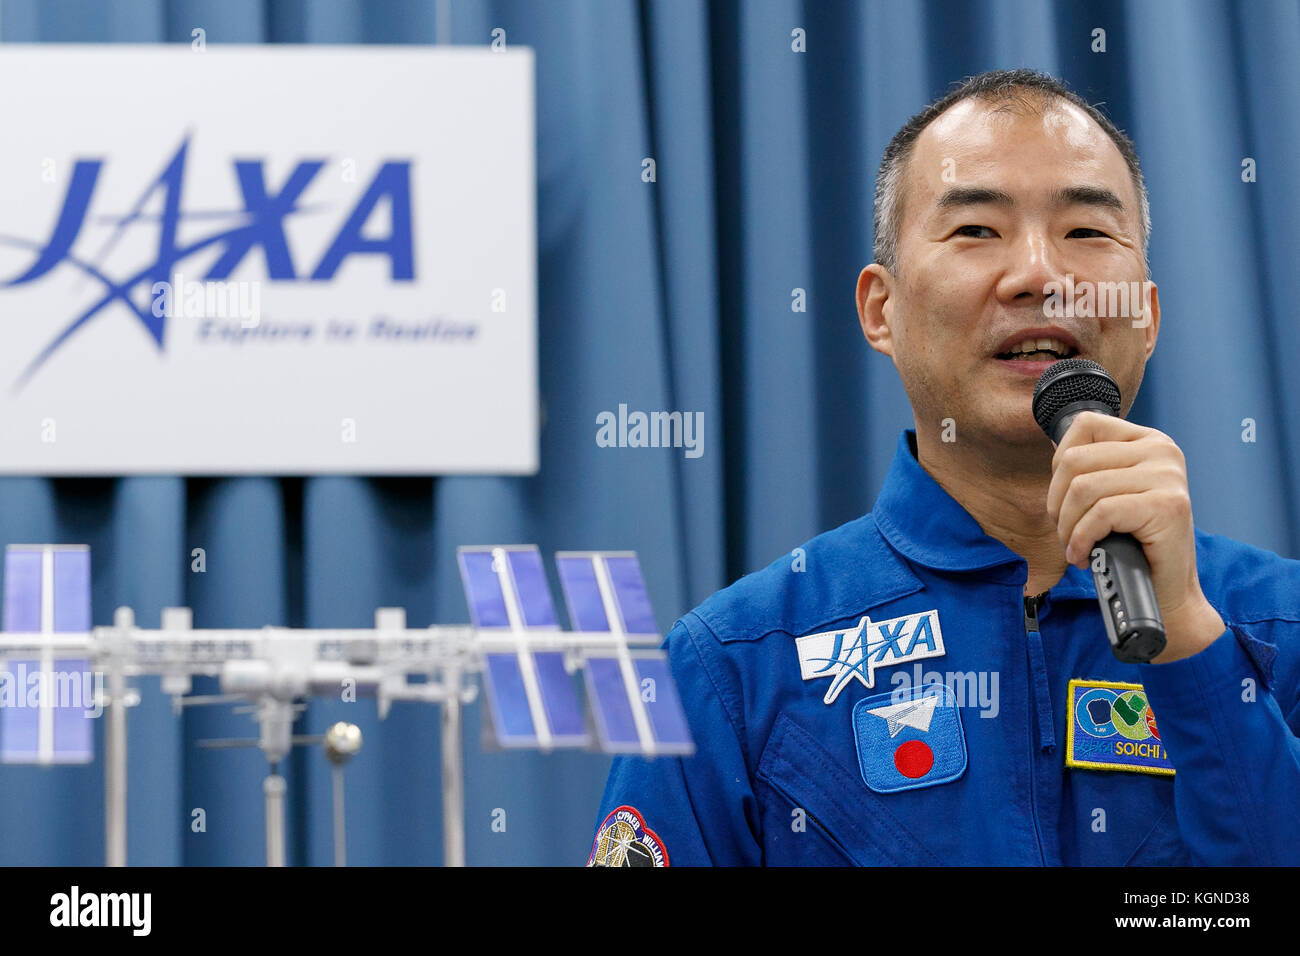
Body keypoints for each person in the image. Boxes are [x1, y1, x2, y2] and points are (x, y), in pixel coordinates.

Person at [586, 69, 1300, 866]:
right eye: (977, 231)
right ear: (878, 310)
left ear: (1149, 316)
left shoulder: (1281, 628)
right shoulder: (732, 668)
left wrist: (1193, 646)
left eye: (1087, 233)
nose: (1040, 274)